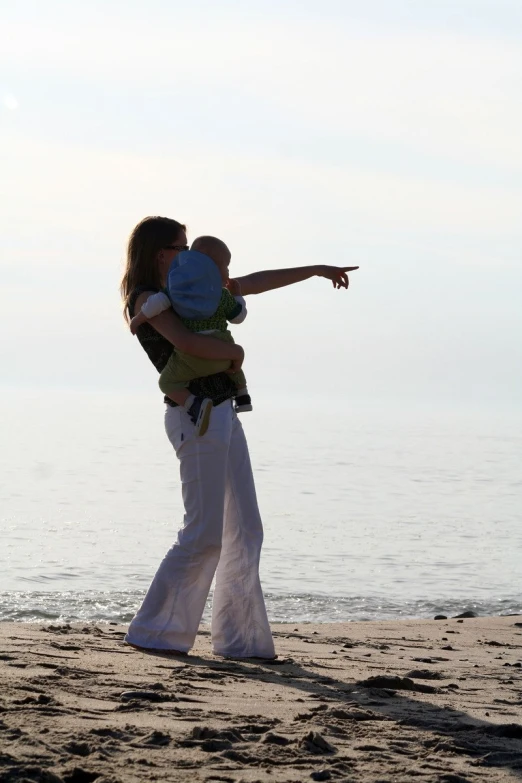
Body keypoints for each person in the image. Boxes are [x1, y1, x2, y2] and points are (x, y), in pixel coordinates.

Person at [121, 215, 358, 658]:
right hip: (194, 416)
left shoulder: (200, 286)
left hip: (225, 414)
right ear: (160, 253)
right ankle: (155, 632)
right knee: (204, 532)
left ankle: (239, 640)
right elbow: (189, 346)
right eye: (182, 246)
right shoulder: (149, 298)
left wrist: (315, 270)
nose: (190, 255)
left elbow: (251, 282)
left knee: (246, 528)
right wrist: (236, 352)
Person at [129, 235, 252, 437]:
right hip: (224, 357)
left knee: (166, 383)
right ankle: (243, 395)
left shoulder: (177, 293)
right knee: (233, 365)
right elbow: (239, 316)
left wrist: (138, 318)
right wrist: (237, 295)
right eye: (226, 267)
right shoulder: (222, 296)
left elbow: (156, 304)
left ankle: (194, 404)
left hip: (193, 361)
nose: (229, 273)